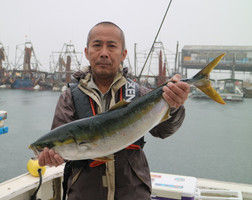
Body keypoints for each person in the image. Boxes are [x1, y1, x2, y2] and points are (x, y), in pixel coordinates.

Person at [38, 21, 190, 200]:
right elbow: (62, 143)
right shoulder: (70, 97)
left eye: (111, 46)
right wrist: (54, 157)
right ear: (86, 52)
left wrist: (174, 106)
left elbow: (164, 130)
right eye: (97, 45)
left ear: (123, 53)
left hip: (133, 194)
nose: (104, 53)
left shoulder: (140, 93)